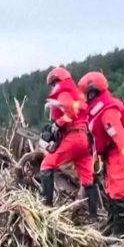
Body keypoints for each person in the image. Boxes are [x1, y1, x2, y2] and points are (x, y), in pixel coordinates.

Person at [78, 71, 124, 237]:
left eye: (85, 94)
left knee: (119, 192)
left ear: (92, 93)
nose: (84, 97)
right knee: (112, 192)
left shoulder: (108, 114)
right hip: (109, 156)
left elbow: (122, 139)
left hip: (118, 155)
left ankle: (120, 234)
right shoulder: (97, 110)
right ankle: (112, 227)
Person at [39, 67, 98, 221]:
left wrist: (57, 124)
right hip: (85, 140)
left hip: (74, 137)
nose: (53, 87)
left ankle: (47, 207)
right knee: (87, 179)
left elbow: (70, 114)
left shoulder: (64, 93)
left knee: (47, 165)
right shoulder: (77, 94)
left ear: (58, 81)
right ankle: (93, 217)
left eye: (53, 84)